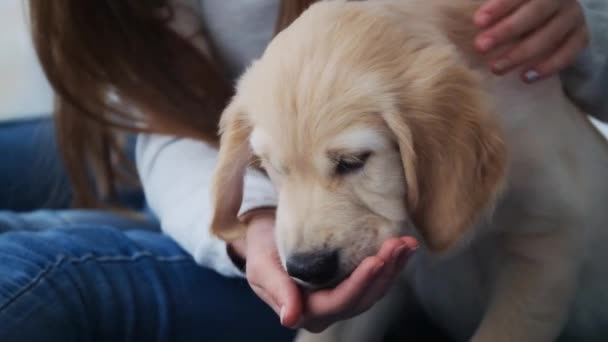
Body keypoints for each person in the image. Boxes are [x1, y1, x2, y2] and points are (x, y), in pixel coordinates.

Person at [0, 0, 605, 341]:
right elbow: (158, 133)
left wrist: (585, 26)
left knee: (42, 268)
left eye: (352, 163)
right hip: (230, 161)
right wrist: (248, 225)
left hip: (353, 214)